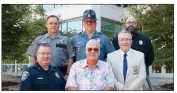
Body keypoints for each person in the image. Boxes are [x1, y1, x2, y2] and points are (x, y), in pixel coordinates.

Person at [112, 16, 154, 90]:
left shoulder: (145, 39)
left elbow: (150, 58)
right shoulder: (116, 39)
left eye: (134, 22)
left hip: (139, 75)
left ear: (137, 25)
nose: (131, 24)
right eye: (129, 22)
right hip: (120, 77)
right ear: (125, 25)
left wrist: (139, 67)